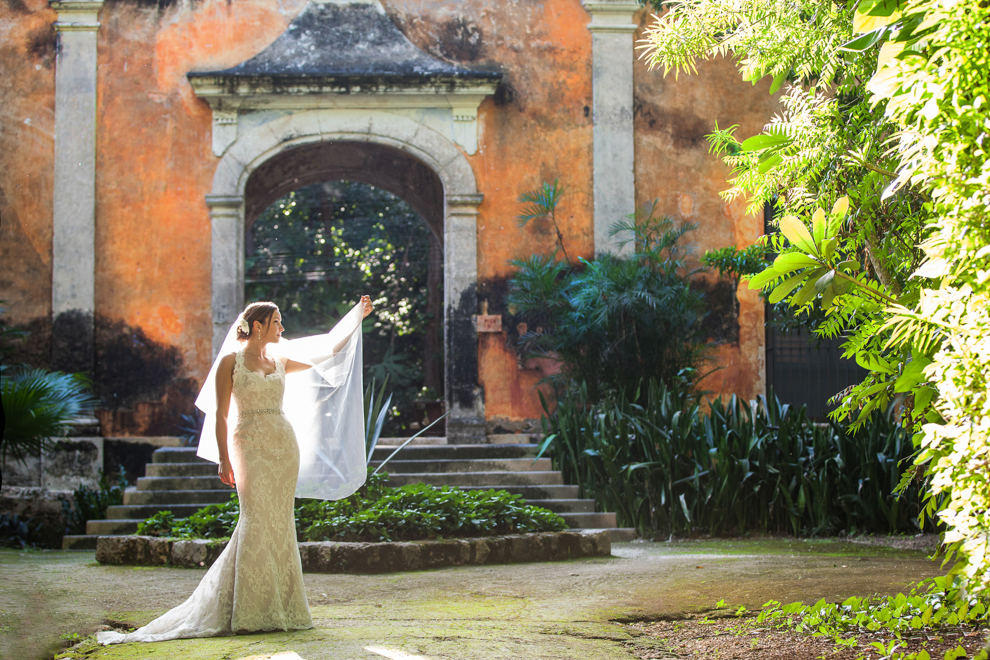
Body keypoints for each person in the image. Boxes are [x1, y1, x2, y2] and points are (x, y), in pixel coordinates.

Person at [97, 296, 373, 644]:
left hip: (284, 445)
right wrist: (225, 459)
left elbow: (329, 350)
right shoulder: (231, 361)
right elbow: (222, 415)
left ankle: (285, 609)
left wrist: (356, 317)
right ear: (258, 326)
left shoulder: (280, 358)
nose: (283, 328)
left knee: (280, 522)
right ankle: (248, 610)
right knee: (255, 519)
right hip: (248, 446)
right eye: (277, 322)